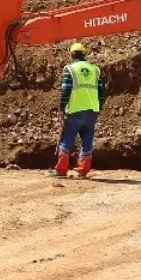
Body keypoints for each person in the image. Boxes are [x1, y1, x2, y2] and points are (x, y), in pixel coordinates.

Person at [53, 42, 105, 178]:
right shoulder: (95, 69)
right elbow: (101, 91)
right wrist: (100, 107)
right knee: (87, 139)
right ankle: (83, 170)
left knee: (67, 138)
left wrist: (62, 106)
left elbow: (66, 89)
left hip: (75, 109)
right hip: (92, 110)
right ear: (84, 54)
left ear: (71, 55)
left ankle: (61, 170)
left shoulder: (70, 69)